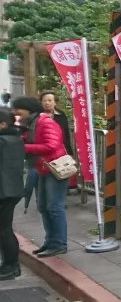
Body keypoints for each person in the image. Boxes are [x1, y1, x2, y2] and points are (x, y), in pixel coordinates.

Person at [13, 96, 70, 257]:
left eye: (19, 110)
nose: (16, 114)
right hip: (42, 168)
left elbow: (52, 145)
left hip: (54, 168)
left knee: (55, 208)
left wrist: (25, 147)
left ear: (28, 109)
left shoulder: (45, 122)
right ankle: (50, 241)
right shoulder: (31, 124)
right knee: (43, 207)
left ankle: (59, 244)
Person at [0, 108, 26, 280]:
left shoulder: (3, 140)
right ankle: (9, 264)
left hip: (4, 191)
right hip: (11, 189)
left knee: (4, 230)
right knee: (4, 229)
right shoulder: (15, 138)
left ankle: (11, 266)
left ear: (3, 124)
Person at [41, 91, 78, 190]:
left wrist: (69, 152)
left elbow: (65, 134)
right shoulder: (37, 115)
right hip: (42, 152)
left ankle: (61, 194)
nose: (47, 103)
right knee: (43, 179)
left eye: (50, 100)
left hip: (59, 151)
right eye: (44, 100)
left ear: (55, 102)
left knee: (60, 175)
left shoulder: (61, 115)